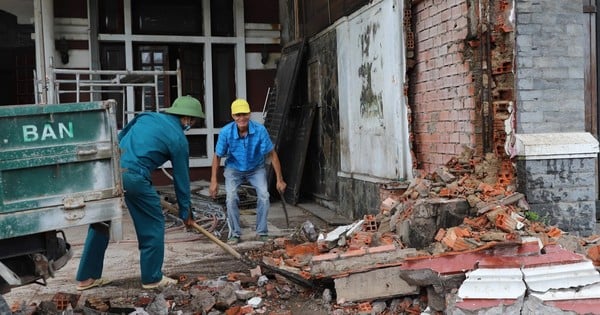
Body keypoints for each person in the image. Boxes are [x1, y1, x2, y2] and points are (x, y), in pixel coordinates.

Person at [75, 95, 204, 290]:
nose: (191, 125)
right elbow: (181, 179)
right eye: (192, 121)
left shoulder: (146, 117)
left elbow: (118, 137)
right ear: (187, 119)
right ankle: (152, 278)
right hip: (134, 176)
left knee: (102, 220)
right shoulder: (179, 139)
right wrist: (186, 212)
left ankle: (87, 277)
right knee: (153, 223)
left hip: (110, 171)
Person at [209, 98, 286, 245]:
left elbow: (272, 154)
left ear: (249, 114)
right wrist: (213, 181)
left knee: (264, 195)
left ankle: (262, 232)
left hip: (256, 168)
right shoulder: (226, 132)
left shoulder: (260, 131)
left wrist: (279, 179)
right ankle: (235, 233)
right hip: (234, 168)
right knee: (231, 197)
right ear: (233, 116)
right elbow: (217, 156)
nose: (241, 118)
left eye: (244, 114)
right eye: (238, 115)